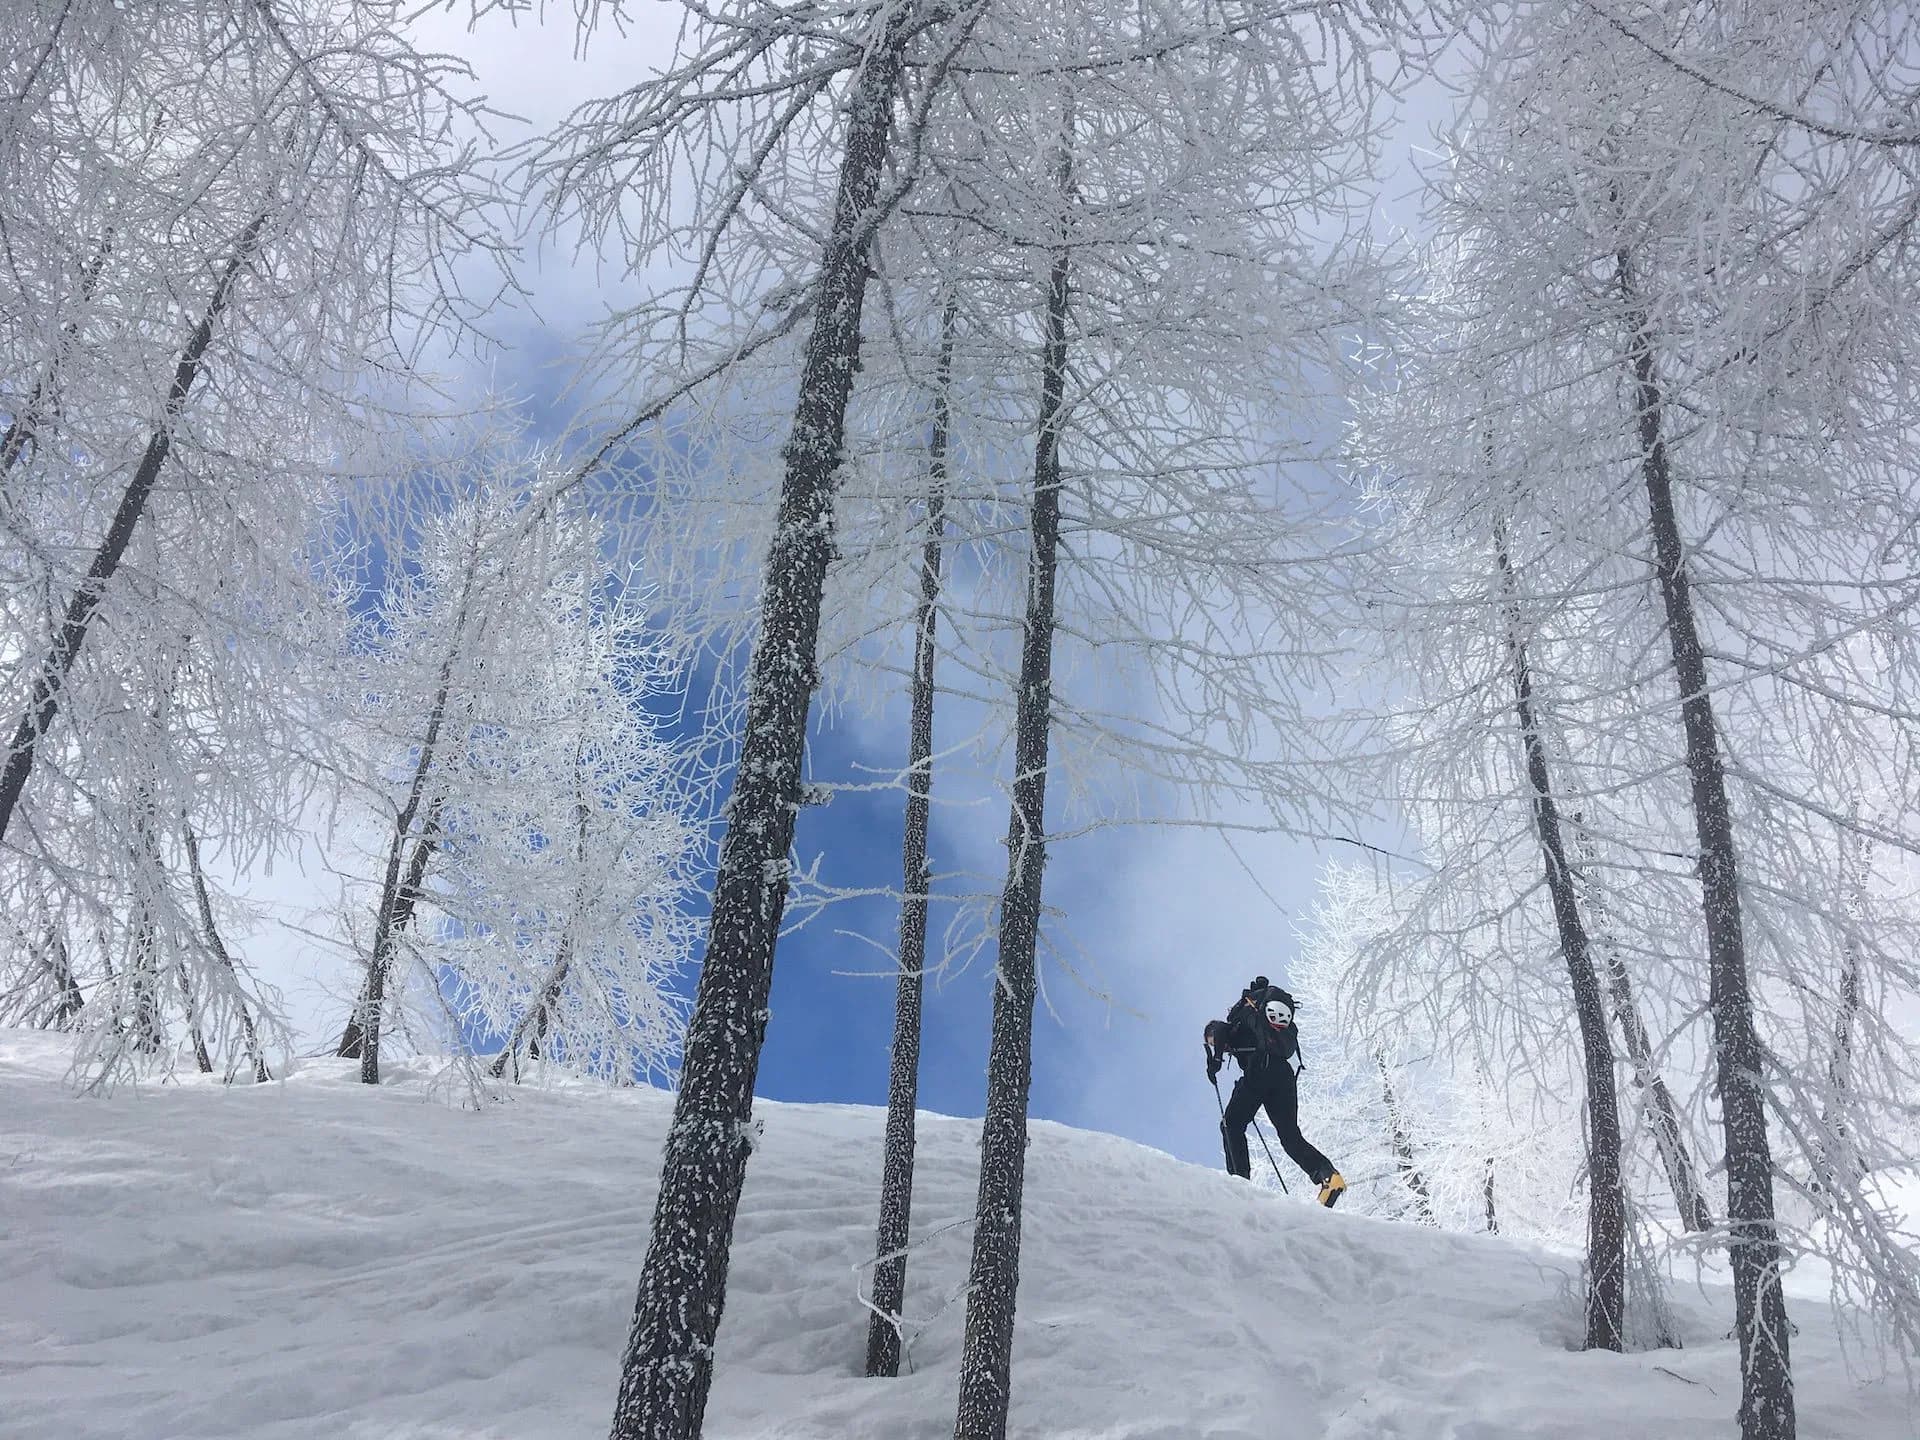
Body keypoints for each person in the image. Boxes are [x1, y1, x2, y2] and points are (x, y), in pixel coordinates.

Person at [1204, 976, 1346, 1207]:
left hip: (1260, 1068)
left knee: (1231, 1124)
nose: (1212, 1043)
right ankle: (1329, 1177)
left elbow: (1218, 1031)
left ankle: (1240, 1186)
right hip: (1284, 1075)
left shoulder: (1230, 1026)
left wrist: (1215, 1059)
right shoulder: (1259, 1025)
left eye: (1210, 1042)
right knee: (1290, 1136)